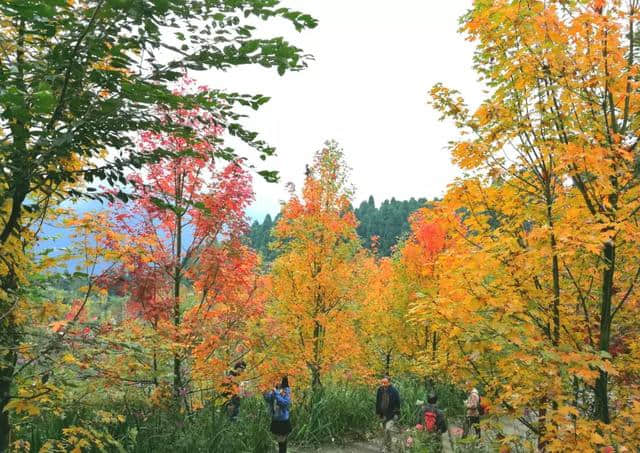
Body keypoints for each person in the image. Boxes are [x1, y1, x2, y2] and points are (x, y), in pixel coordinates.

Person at [264, 376, 292, 453]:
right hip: (275, 418)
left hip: (283, 418)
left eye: (279, 379)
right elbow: (269, 399)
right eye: (276, 379)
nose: (277, 381)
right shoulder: (274, 389)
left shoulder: (286, 390)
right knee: (280, 440)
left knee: (282, 439)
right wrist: (264, 392)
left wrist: (276, 393)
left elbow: (285, 403)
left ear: (283, 380)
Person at [375, 376, 401, 452]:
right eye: (382, 382)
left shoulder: (394, 391)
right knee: (385, 431)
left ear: (389, 382)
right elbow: (378, 402)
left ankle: (385, 448)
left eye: (385, 382)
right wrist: (378, 413)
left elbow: (398, 403)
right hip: (382, 414)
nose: (383, 384)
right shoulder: (380, 390)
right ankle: (388, 447)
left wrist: (396, 414)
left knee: (388, 429)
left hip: (392, 414)